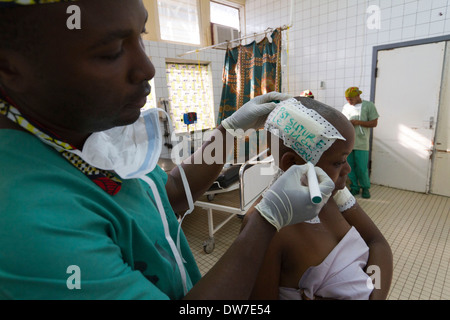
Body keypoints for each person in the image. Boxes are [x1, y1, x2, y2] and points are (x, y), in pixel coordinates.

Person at [0, 0, 335, 299]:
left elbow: (171, 192)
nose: (147, 68)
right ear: (9, 66)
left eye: (141, 36)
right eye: (112, 51)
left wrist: (231, 129)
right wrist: (264, 221)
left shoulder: (87, 134)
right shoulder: (27, 220)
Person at [247, 97, 392, 300]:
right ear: (292, 163)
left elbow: (378, 243)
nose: (348, 169)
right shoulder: (267, 226)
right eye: (339, 162)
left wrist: (374, 294)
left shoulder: (335, 195)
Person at [341, 87, 379, 198]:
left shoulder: (368, 106)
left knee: (362, 168)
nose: (349, 102)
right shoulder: (346, 107)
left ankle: (365, 188)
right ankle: (354, 187)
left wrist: (358, 122)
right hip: (349, 142)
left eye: (351, 99)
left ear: (358, 96)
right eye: (347, 99)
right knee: (349, 166)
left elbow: (374, 123)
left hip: (362, 142)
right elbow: (343, 122)